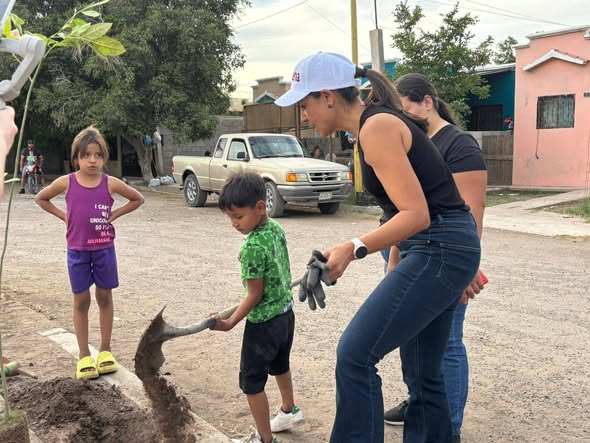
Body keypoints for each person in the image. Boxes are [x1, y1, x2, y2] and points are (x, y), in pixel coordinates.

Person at [275, 52, 481, 443]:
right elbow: (399, 212)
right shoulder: (371, 128)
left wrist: (351, 248)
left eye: (304, 104)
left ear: (327, 97)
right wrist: (393, 272)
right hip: (440, 247)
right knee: (423, 371)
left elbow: (417, 214)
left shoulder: (378, 127)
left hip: (440, 246)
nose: (304, 115)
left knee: (354, 355)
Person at [381, 73, 488, 443]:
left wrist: (467, 268)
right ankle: (420, 402)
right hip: (404, 247)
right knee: (412, 335)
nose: (401, 118)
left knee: (448, 341)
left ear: (427, 102)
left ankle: (449, 426)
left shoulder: (459, 145)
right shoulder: (412, 141)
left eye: (405, 108)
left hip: (444, 255)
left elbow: (472, 212)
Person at [35, 126, 144, 380]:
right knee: (81, 301)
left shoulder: (110, 183)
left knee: (104, 297)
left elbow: (137, 199)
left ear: (104, 158)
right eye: (86, 155)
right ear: (76, 158)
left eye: (98, 155)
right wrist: (64, 216)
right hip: (77, 251)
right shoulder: (67, 182)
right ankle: (84, 355)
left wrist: (115, 214)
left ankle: (105, 351)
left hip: (104, 250)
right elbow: (41, 198)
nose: (92, 160)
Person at [212, 171, 304, 443]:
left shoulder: (252, 247)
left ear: (260, 207)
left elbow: (254, 295)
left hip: (263, 325)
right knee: (280, 364)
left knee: (252, 384)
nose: (233, 224)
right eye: (230, 217)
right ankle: (289, 409)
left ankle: (265, 439)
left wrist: (229, 323)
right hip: (285, 315)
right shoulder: (275, 229)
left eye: (238, 216)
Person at [0, 106, 18, 199]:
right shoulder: (25, 151)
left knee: (39, 172)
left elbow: (40, 157)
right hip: (27, 165)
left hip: (34, 165)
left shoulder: (35, 151)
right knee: (24, 174)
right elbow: (22, 158)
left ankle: (41, 183)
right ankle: (23, 186)